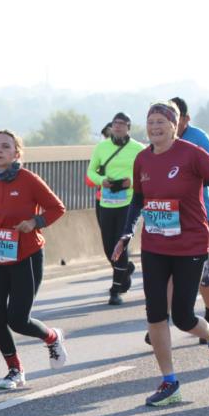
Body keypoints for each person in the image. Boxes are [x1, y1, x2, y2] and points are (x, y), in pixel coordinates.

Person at [112, 102, 209, 407]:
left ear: (174, 125)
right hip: (155, 245)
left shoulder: (191, 153)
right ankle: (170, 382)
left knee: (182, 317)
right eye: (150, 122)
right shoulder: (142, 159)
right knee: (155, 313)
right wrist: (128, 231)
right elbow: (138, 200)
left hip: (191, 245)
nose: (155, 127)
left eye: (161, 122)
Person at [0, 129, 68, 390]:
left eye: (5, 147)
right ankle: (14, 370)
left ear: (16, 153)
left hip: (27, 255)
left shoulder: (28, 180)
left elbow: (57, 208)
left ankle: (52, 337)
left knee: (18, 319)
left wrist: (34, 222)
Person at [171, 96, 209, 340]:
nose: (167, 122)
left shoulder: (197, 137)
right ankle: (160, 321)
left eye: (174, 116)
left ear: (185, 119)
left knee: (202, 270)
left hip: (197, 214)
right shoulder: (159, 140)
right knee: (166, 270)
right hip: (166, 215)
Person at [86, 112, 145, 305]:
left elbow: (147, 174)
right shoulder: (102, 147)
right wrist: (103, 181)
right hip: (106, 201)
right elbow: (90, 172)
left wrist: (131, 183)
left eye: (122, 124)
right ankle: (124, 269)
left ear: (129, 127)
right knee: (107, 246)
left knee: (121, 244)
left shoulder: (138, 149)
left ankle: (115, 289)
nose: (117, 127)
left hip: (128, 203)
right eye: (114, 124)